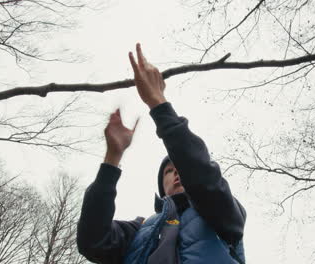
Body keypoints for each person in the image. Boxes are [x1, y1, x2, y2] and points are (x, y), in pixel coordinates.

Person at [77, 44, 246, 264]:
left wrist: (158, 103)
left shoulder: (224, 213)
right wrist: (112, 159)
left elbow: (204, 180)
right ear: (161, 185)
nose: (177, 174)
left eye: (180, 168)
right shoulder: (139, 229)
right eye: (169, 171)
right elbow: (92, 242)